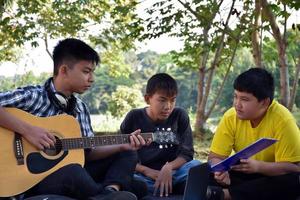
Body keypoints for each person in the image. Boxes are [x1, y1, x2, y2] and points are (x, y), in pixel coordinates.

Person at [0, 38, 147, 200]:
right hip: (34, 178)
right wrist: (28, 130)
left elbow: (88, 153)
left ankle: (108, 192)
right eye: (86, 71)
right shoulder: (33, 96)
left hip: (74, 172)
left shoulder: (80, 108)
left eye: (92, 72)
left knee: (130, 159)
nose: (92, 78)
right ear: (64, 70)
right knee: (74, 171)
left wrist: (120, 146)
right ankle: (105, 195)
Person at [206, 68, 300, 200]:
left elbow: (294, 168)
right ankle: (224, 193)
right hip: (243, 175)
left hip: (270, 177)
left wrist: (259, 167)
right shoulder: (230, 116)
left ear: (264, 102)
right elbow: (214, 157)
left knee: (294, 181)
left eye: (244, 99)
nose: (237, 104)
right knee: (204, 174)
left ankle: (225, 195)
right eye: (235, 96)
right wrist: (220, 171)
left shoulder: (283, 120)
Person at [120, 73, 201, 198]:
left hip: (175, 171)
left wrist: (168, 167)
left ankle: (165, 186)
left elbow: (187, 153)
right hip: (144, 175)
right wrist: (146, 171)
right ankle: (172, 187)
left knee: (197, 166)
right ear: (148, 99)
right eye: (162, 100)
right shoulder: (134, 117)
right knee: (126, 177)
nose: (168, 106)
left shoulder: (179, 115)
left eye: (172, 100)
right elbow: (123, 157)